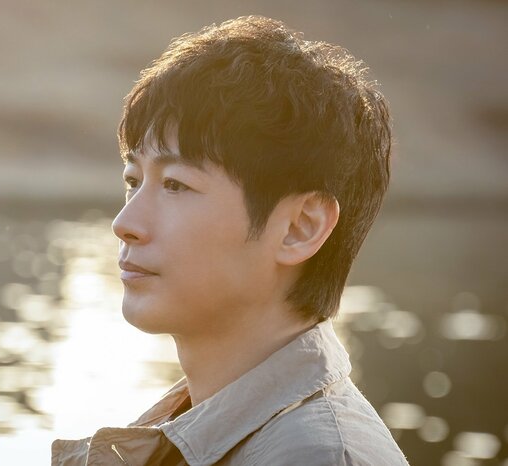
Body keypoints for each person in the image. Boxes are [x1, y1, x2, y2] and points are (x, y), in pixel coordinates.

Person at [52, 15, 408, 465]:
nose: (125, 223)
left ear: (300, 227)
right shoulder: (197, 429)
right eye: (133, 180)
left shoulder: (319, 457)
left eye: (176, 184)